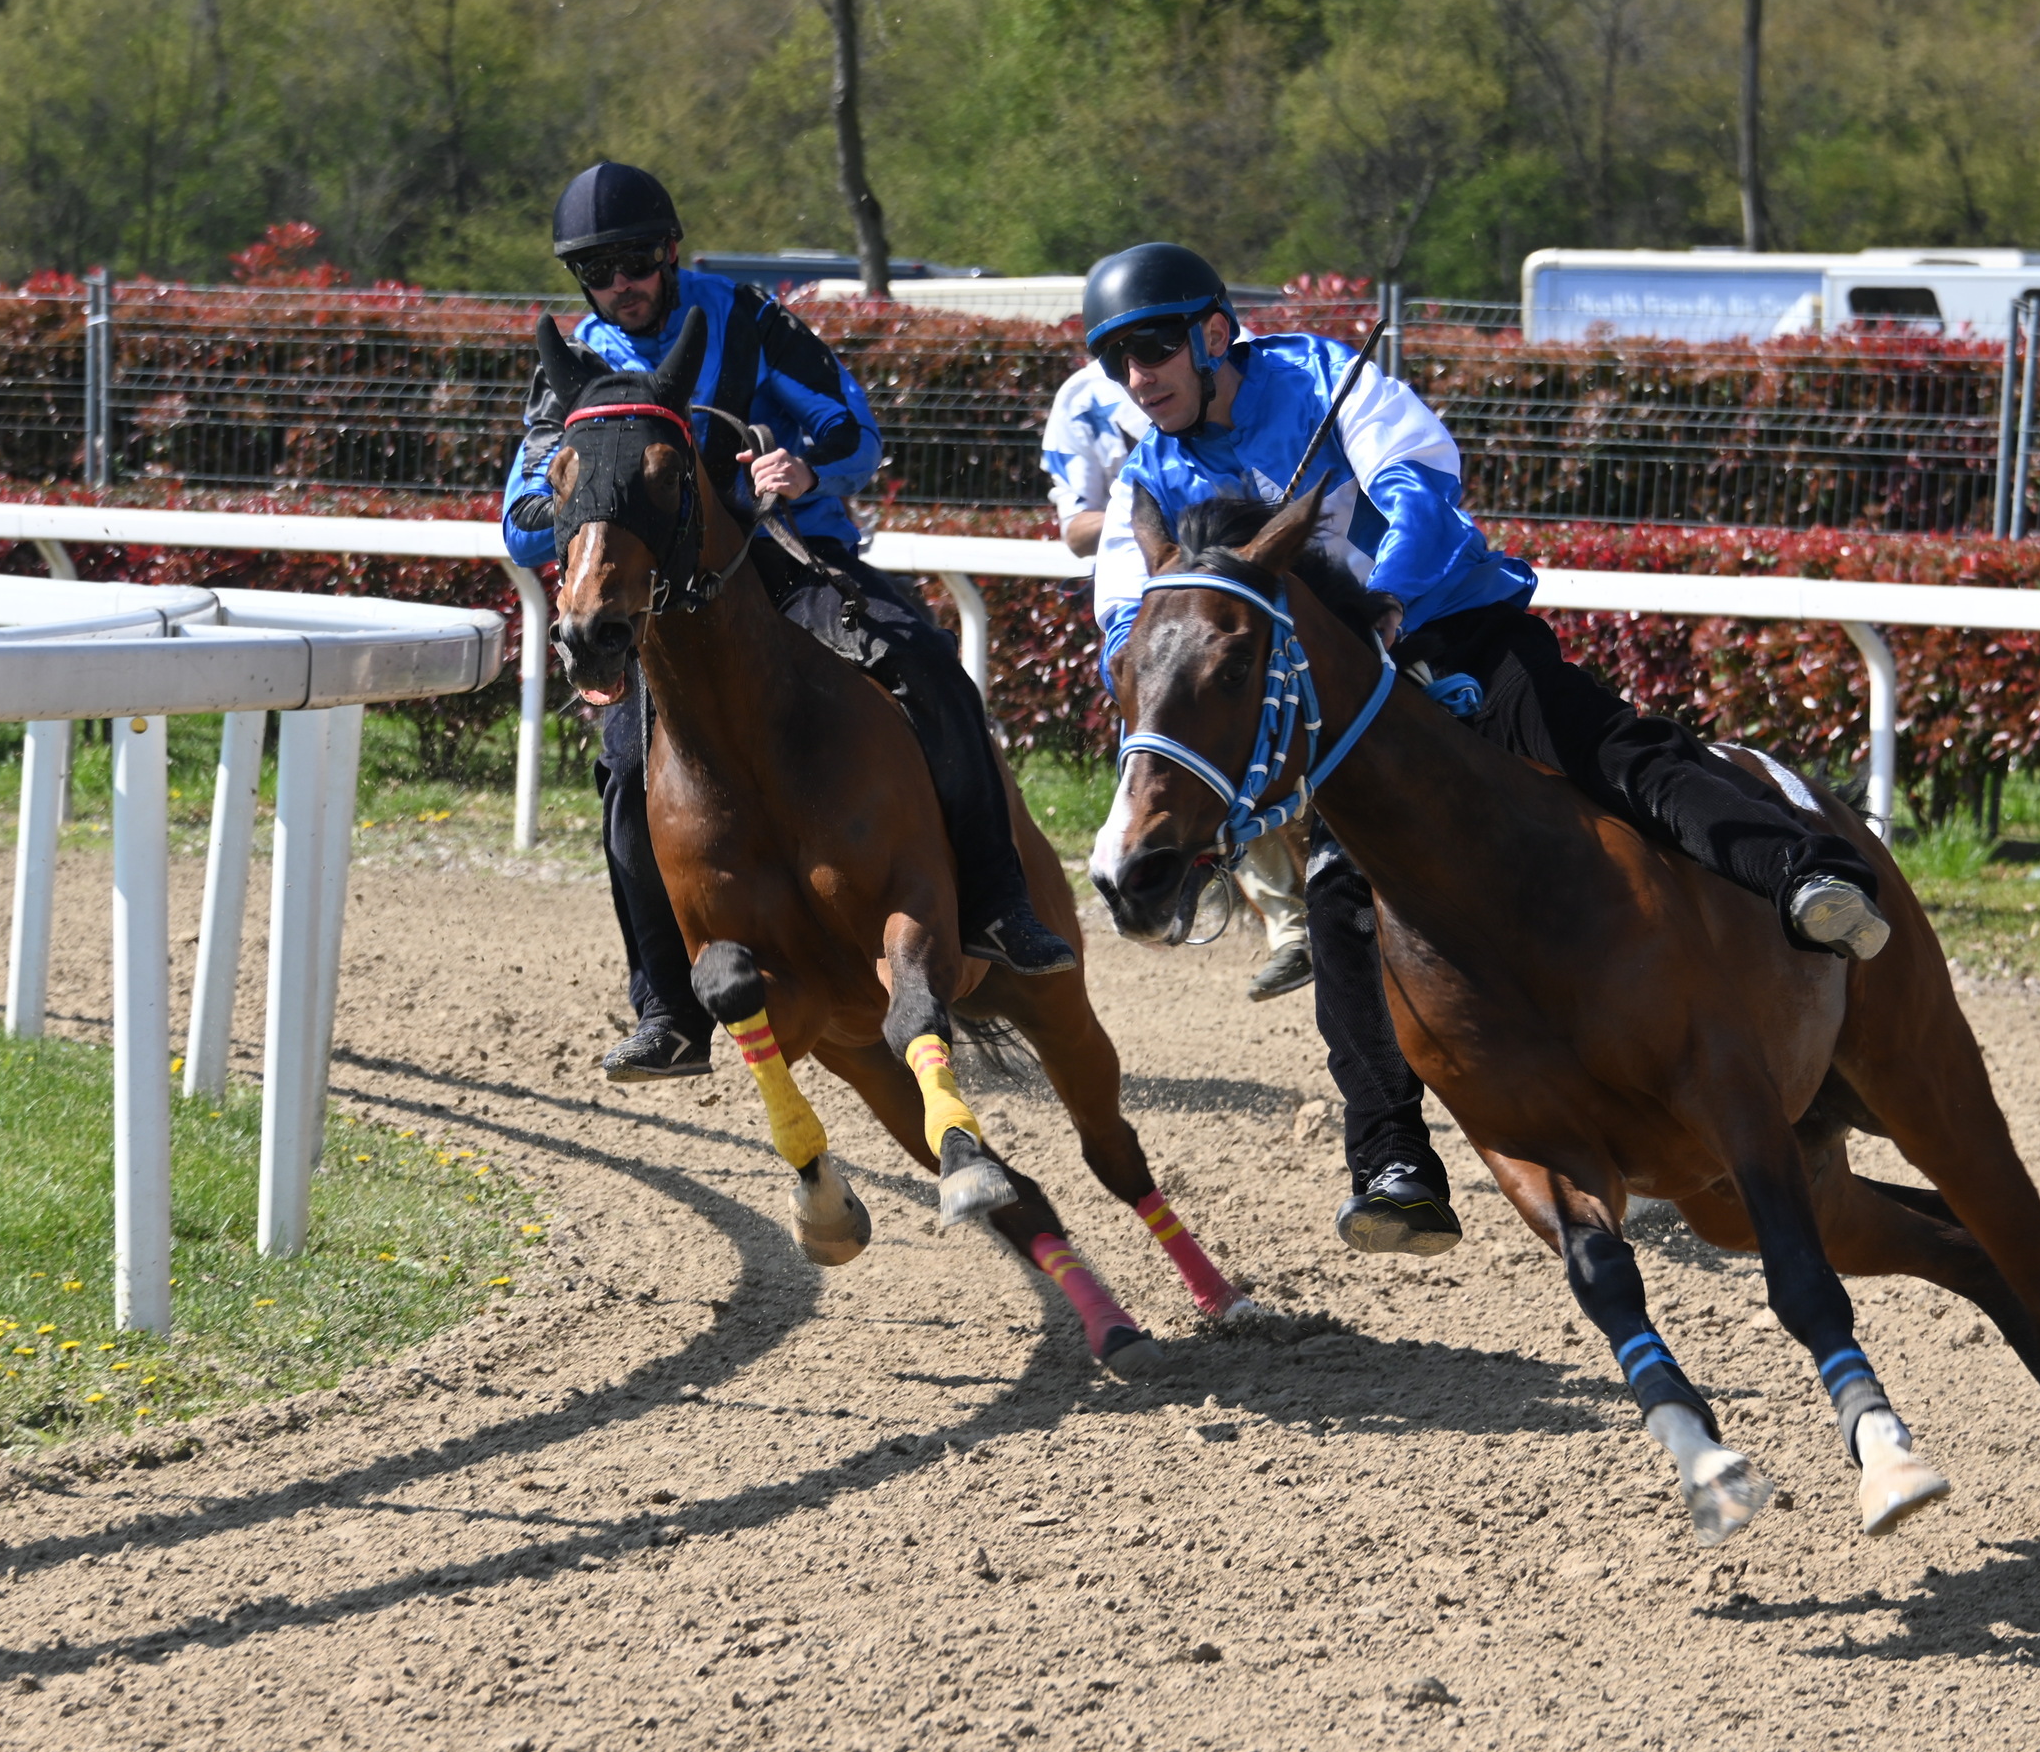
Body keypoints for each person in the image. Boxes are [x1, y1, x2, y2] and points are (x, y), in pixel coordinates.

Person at [1083, 242, 1890, 1257]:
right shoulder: (1145, 468)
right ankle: (1392, 1163)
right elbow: (1126, 613)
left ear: (1211, 335)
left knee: (1608, 751)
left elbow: (1422, 489)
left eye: (1152, 350)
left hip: (1450, 632)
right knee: (1341, 893)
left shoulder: (1325, 379)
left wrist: (1385, 610)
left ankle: (1804, 869)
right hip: (1350, 712)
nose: (1137, 378)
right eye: (1116, 363)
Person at [503, 162, 1076, 1084]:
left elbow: (854, 429)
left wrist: (803, 471)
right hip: (662, 602)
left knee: (930, 666)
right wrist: (585, 519)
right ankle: (667, 1008)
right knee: (620, 766)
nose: (623, 284)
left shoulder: (751, 318)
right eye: (599, 270)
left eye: (637, 260)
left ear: (671, 251)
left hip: (789, 557)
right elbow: (520, 507)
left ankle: (1000, 903)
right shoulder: (574, 367)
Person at [1045, 357, 1312, 1000]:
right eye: (1123, 352)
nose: (1142, 370)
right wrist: (1139, 519)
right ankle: (1290, 925)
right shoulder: (1079, 401)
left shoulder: (1239, 376)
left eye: (1154, 344)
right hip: (1166, 592)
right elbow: (1075, 527)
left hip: (1248, 583)